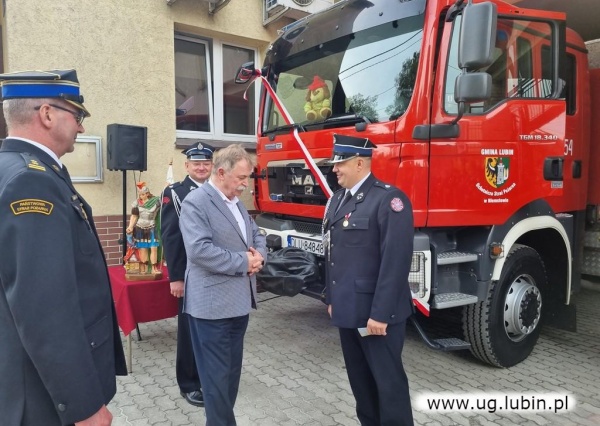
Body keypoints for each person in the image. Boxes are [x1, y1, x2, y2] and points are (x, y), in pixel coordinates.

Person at [0, 69, 127, 425]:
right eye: (78, 115)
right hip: (42, 398)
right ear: (47, 114)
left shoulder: (20, 169)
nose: (82, 128)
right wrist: (83, 406)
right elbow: (45, 308)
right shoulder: (30, 182)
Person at [323, 134, 415, 426]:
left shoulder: (389, 199)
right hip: (348, 310)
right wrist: (331, 298)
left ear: (360, 163)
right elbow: (333, 253)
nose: (335, 169)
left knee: (388, 386)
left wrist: (380, 313)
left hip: (376, 316)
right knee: (361, 385)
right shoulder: (338, 200)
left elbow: (395, 262)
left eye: (341, 163)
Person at [179, 144, 266, 426]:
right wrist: (244, 262)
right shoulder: (197, 202)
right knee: (216, 383)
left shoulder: (235, 201)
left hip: (238, 304)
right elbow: (199, 251)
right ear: (220, 172)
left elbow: (255, 233)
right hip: (212, 309)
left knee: (229, 377)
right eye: (241, 178)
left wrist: (259, 255)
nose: (245, 185)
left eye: (247, 178)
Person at [160, 142, 215, 407]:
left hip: (217, 273)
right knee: (189, 330)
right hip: (191, 275)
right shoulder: (176, 192)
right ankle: (189, 384)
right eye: (196, 163)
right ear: (187, 166)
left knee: (213, 329)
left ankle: (209, 376)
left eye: (206, 162)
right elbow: (171, 237)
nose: (202, 167)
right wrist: (176, 277)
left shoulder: (219, 190)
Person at [126, 181, 161, 274]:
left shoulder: (156, 202)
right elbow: (134, 216)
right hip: (140, 228)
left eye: (143, 194)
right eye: (140, 194)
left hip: (152, 227)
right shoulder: (136, 203)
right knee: (143, 248)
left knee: (154, 248)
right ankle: (144, 267)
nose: (141, 196)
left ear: (147, 193)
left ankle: (154, 268)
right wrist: (130, 227)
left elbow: (165, 204)